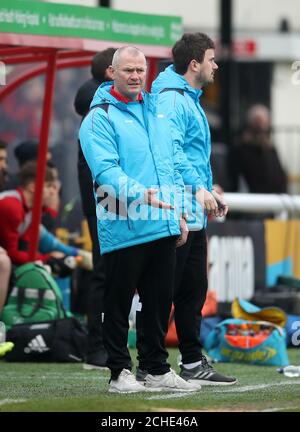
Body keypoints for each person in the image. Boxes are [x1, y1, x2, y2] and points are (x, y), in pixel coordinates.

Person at [79, 46, 205, 393]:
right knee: (118, 303)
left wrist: (179, 212)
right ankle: (119, 371)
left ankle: (155, 368)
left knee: (159, 301)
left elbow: (170, 167)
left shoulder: (156, 113)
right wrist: (139, 193)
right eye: (128, 70)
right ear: (112, 73)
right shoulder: (99, 118)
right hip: (125, 224)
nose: (135, 76)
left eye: (140, 70)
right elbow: (105, 170)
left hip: (162, 224)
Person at [136, 33, 236, 386]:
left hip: (190, 211)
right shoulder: (172, 100)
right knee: (162, 293)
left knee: (192, 291)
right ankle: (150, 366)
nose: (215, 65)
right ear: (194, 64)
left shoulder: (186, 97)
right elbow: (172, 155)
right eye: (211, 59)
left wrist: (207, 190)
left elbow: (190, 155)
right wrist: (198, 189)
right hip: (172, 212)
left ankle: (192, 362)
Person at [74, 48, 116, 370]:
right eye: (127, 69)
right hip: (102, 200)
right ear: (109, 73)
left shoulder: (97, 97)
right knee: (103, 271)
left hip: (109, 199)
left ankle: (105, 343)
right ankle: (95, 346)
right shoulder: (96, 98)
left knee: (113, 271)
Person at [0, 161, 90, 273]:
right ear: (33, 187)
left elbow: (26, 247)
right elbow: (12, 253)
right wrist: (48, 259)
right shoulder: (12, 206)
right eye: (48, 186)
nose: (53, 192)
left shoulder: (31, 210)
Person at [229, 104, 288, 194]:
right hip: (251, 197)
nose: (260, 125)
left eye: (263, 121)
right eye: (257, 121)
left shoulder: (270, 148)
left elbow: (279, 176)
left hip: (273, 197)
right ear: (250, 122)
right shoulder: (241, 146)